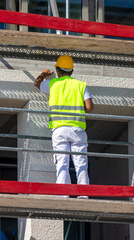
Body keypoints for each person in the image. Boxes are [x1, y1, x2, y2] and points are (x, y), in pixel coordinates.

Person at [34, 55, 94, 198]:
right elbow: (89, 107)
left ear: (58, 71)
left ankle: (63, 193)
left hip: (59, 129)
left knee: (62, 161)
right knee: (81, 162)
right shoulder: (81, 85)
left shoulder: (53, 83)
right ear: (72, 71)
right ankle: (83, 194)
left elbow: (37, 83)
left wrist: (43, 74)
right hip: (77, 129)